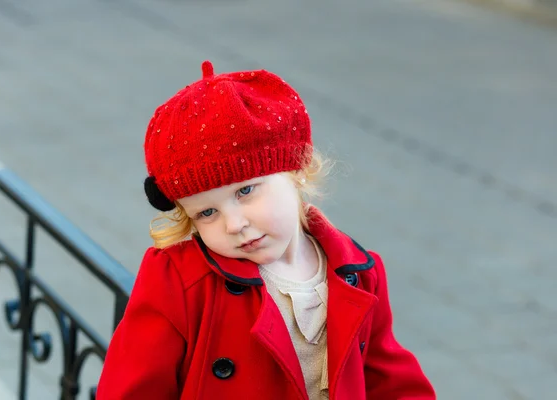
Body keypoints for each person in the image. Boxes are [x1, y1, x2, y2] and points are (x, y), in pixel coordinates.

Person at [96, 60, 435, 399]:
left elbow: (390, 381)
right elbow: (130, 389)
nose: (235, 224)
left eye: (245, 191)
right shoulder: (179, 282)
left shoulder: (358, 272)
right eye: (207, 212)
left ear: (296, 167)